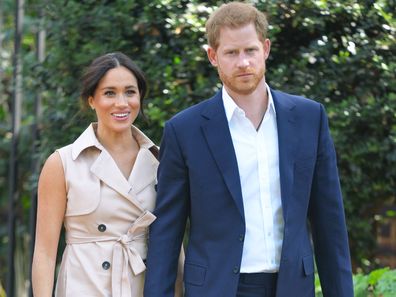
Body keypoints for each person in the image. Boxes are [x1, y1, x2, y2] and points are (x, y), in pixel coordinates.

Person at [144, 2, 354, 297]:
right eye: (231, 53)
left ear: (265, 49)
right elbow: (167, 229)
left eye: (250, 50)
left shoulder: (309, 118)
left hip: (291, 286)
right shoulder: (184, 130)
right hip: (216, 288)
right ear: (213, 56)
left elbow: (330, 223)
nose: (243, 62)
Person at [32, 52, 183, 297]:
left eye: (130, 92)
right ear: (91, 99)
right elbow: (45, 253)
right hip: (83, 287)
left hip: (143, 287)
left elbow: (173, 245)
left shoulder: (160, 160)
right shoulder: (62, 163)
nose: (122, 103)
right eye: (109, 93)